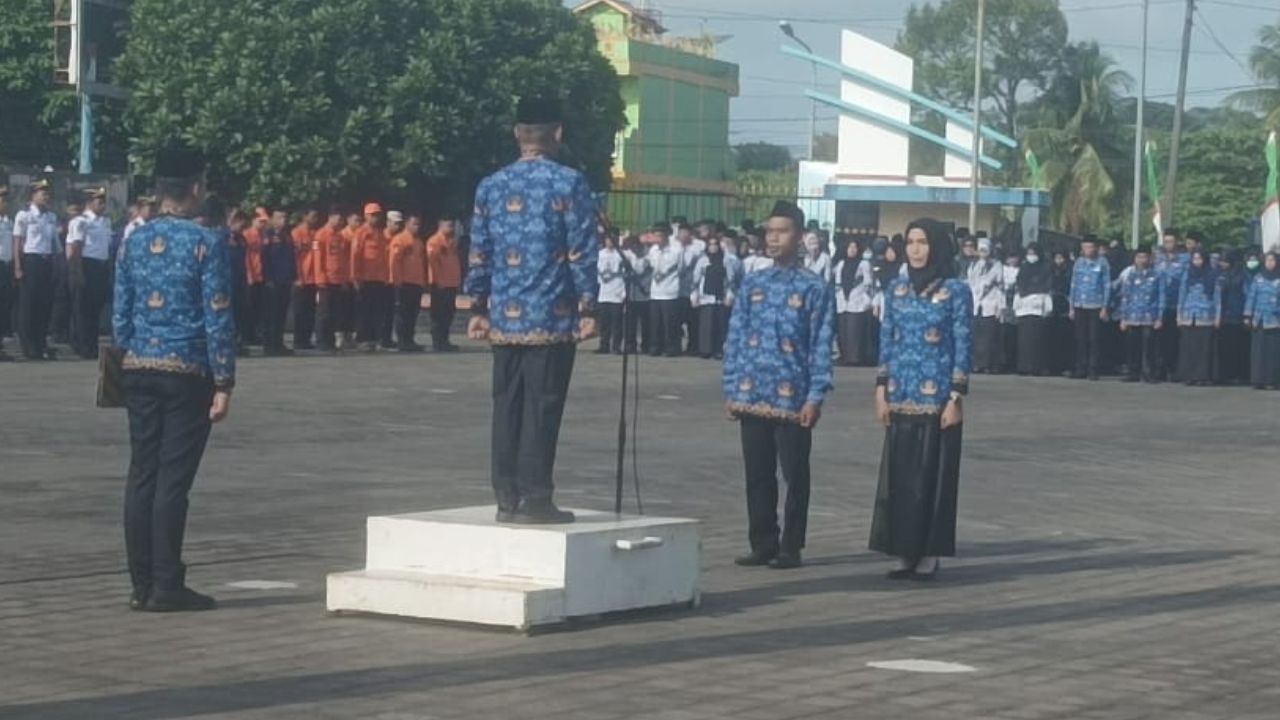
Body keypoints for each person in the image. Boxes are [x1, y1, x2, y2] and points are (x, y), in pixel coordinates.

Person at [464, 95, 599, 524]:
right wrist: (589, 305)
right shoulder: (569, 183)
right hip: (552, 316)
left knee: (507, 406)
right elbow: (581, 249)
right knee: (542, 407)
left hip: (504, 317)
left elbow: (479, 251)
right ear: (556, 133)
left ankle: (506, 497)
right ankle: (537, 497)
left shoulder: (491, 184)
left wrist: (477, 307)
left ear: (516, 135)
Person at [113, 143, 235, 612]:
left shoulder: (134, 240)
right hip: (188, 371)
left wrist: (127, 358)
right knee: (173, 480)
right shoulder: (208, 241)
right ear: (197, 188)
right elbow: (218, 314)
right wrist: (224, 381)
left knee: (142, 472)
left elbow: (121, 314)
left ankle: (140, 583)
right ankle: (167, 583)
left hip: (139, 367)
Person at [723, 201, 834, 570]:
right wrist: (732, 387)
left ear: (799, 237)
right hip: (753, 393)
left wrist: (815, 395)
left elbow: (821, 344)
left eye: (782, 231)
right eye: (769, 231)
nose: (773, 238)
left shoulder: (814, 287)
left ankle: (791, 545)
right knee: (757, 474)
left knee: (795, 475)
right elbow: (736, 336)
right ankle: (763, 541)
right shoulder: (753, 283)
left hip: (793, 396)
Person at [870, 218, 972, 581]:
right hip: (901, 393)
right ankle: (902, 549)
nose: (915, 249)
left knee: (933, 475)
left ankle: (928, 551)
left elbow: (963, 344)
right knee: (901, 476)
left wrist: (956, 396)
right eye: (911, 241)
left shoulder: (955, 290)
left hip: (938, 395)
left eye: (923, 242)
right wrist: (881, 389)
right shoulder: (895, 289)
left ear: (937, 247)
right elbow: (887, 339)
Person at [62, 188, 111, 360]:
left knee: (95, 309)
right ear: (90, 203)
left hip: (101, 266)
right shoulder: (81, 221)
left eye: (104, 201)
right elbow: (76, 248)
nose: (103, 205)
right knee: (83, 309)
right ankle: (83, 346)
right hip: (86, 265)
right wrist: (78, 271)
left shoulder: (104, 222)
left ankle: (91, 344)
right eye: (99, 201)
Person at [13, 179, 59, 360]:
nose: (46, 196)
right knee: (28, 305)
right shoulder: (24, 216)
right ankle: (28, 345)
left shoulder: (51, 217)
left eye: (47, 193)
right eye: (42, 193)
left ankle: (40, 344)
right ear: (33, 195)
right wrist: (18, 266)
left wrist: (57, 263)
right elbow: (17, 242)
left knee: (43, 305)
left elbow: (54, 244)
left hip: (46, 261)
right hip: (30, 261)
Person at [1117, 245, 1164, 383]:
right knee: (1133, 345)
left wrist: (1159, 317)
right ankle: (1133, 372)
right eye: (1139, 257)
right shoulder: (1131, 275)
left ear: (1150, 258)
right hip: (1132, 316)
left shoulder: (1157, 274)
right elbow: (1125, 296)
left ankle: (1149, 372)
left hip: (1150, 316)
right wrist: (1123, 318)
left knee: (1149, 346)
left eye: (1144, 257)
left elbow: (1161, 296)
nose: (1141, 260)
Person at [1069, 235, 1111, 380]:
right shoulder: (1078, 263)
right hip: (1079, 303)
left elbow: (1107, 285)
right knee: (1080, 338)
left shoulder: (1103, 262)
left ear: (1096, 248)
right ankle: (1080, 367)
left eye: (1090, 247)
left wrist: (1105, 307)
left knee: (1094, 338)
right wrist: (1071, 307)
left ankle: (1093, 369)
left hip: (1096, 304)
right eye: (1085, 247)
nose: (1088, 250)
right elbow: (1073, 284)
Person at [351, 203, 391, 353]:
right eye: (373, 215)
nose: (376, 217)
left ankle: (375, 339)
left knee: (377, 311)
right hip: (365, 278)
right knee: (364, 311)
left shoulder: (381, 233)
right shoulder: (361, 233)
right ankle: (362, 339)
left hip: (379, 278)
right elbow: (355, 256)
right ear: (366, 216)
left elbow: (384, 257)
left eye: (378, 215)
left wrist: (387, 276)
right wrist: (355, 277)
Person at [1176, 248, 1220, 386]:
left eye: (1199, 258)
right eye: (1194, 259)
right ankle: (1189, 375)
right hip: (1189, 315)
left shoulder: (1213, 275)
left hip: (1206, 315)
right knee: (1189, 348)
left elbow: (1217, 298)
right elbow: (1182, 294)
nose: (1197, 261)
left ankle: (1202, 376)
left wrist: (1217, 316)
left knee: (1203, 349)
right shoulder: (1187, 274)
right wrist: (1179, 314)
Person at [691, 235, 738, 359]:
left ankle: (719, 350)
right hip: (706, 297)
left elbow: (730, 280)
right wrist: (694, 297)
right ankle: (705, 350)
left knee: (720, 325)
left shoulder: (726, 260)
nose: (713, 247)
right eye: (710, 244)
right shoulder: (703, 260)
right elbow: (695, 280)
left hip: (720, 298)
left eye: (715, 244)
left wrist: (729, 296)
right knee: (706, 325)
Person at [388, 214, 428, 352]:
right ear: (407, 224)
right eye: (414, 224)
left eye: (418, 224)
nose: (417, 227)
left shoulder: (419, 242)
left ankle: (410, 339)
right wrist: (396, 280)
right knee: (403, 314)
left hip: (416, 282)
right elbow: (394, 262)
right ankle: (402, 341)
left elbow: (422, 264)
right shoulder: (400, 240)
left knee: (413, 313)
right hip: (404, 282)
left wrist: (423, 281)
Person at [259, 209, 296, 356]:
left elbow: (291, 258)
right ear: (273, 220)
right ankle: (269, 345)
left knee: (281, 313)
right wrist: (267, 278)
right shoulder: (267, 236)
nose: (283, 220)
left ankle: (279, 343)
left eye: (285, 217)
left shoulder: (287, 236)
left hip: (285, 280)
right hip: (272, 281)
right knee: (271, 315)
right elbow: (264, 259)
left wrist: (294, 276)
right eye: (280, 217)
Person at [1013, 244, 1053, 376]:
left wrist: (1036, 290)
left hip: (1038, 304)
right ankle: (1023, 366)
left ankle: (1037, 366)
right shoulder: (1024, 268)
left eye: (1033, 253)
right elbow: (1019, 282)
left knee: (1037, 338)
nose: (1031, 256)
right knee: (1024, 339)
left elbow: (1047, 284)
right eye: (1029, 253)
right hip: (1024, 305)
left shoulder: (1045, 267)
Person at [313, 208, 350, 352]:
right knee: (324, 312)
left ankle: (330, 341)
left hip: (337, 280)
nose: (340, 222)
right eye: (338, 219)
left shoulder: (340, 237)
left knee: (334, 312)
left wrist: (344, 279)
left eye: (342, 219)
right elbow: (318, 258)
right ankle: (321, 340)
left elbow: (343, 260)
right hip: (326, 279)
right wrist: (320, 278)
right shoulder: (321, 235)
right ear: (330, 217)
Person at [834, 241, 875, 367]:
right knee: (843, 330)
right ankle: (844, 356)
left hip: (857, 301)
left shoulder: (864, 264)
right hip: (842, 300)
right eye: (849, 247)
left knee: (854, 331)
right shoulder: (841, 263)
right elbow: (837, 280)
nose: (852, 250)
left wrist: (867, 300)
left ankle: (855, 358)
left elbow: (868, 283)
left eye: (854, 247)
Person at [1154, 227, 1187, 380]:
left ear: (1177, 242)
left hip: (1176, 304)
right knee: (1159, 340)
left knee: (1174, 340)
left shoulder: (1184, 259)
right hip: (1160, 305)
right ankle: (1159, 368)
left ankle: (1174, 370)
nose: (1168, 244)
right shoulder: (1158, 259)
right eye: (1166, 241)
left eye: (1171, 241)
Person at [967, 238, 1003, 374]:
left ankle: (988, 364)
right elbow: (971, 280)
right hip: (976, 303)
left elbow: (996, 281)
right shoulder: (973, 265)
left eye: (985, 250)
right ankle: (977, 363)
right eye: (980, 250)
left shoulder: (996, 264)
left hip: (990, 302)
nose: (982, 253)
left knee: (989, 336)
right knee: (977, 335)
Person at [1244, 252, 1280, 390]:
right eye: (1267, 260)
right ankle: (1258, 379)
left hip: (1274, 320)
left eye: (1272, 260)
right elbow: (1251, 297)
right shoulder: (1258, 278)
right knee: (1258, 351)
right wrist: (1247, 315)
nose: (1269, 263)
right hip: (1259, 319)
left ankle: (1272, 380)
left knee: (1272, 352)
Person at [426, 218, 463, 352]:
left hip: (451, 284)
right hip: (439, 285)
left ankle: (445, 340)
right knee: (438, 314)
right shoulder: (434, 242)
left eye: (452, 226)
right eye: (448, 226)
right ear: (440, 226)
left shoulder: (452, 243)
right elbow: (433, 263)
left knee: (449, 313)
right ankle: (438, 341)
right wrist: (438, 280)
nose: (451, 229)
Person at [647, 222, 683, 357]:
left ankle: (671, 348)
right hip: (655, 291)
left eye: (660, 236)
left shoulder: (676, 250)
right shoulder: (653, 250)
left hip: (670, 291)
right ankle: (655, 346)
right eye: (655, 236)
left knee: (670, 324)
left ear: (666, 236)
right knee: (655, 323)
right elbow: (651, 266)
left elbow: (681, 268)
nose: (657, 239)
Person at [1216, 249, 1251, 385]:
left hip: (1238, 314)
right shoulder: (1221, 275)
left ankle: (1239, 375)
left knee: (1238, 347)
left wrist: (1246, 314)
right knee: (1225, 347)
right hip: (1225, 316)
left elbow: (1247, 294)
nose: (1222, 264)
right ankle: (1226, 374)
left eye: (1225, 261)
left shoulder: (1243, 275)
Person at [291, 209, 323, 350]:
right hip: (300, 278)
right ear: (304, 217)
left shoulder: (316, 234)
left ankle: (306, 339)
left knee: (310, 311)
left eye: (316, 216)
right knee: (300, 311)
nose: (315, 219)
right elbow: (293, 258)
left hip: (313, 278)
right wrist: (296, 276)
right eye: (312, 216)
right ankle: (298, 340)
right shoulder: (296, 233)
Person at [224, 208, 251, 356]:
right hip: (227, 281)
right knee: (228, 315)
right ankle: (228, 344)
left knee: (240, 313)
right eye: (241, 224)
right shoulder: (222, 238)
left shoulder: (241, 240)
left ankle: (237, 342)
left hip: (239, 280)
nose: (243, 228)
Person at [676, 223, 705, 355]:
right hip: (677, 289)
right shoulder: (675, 247)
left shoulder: (698, 247)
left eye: (685, 233)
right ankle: (676, 346)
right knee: (676, 320)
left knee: (693, 321)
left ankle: (693, 347)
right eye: (680, 233)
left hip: (692, 289)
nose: (682, 236)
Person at [241, 209, 268, 347]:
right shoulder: (247, 235)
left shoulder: (263, 236)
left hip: (261, 275)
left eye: (264, 222)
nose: (263, 224)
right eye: (260, 221)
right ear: (253, 220)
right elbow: (246, 257)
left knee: (259, 308)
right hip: (251, 276)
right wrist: (249, 275)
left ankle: (256, 335)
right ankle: (247, 335)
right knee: (249, 308)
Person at [596, 230, 626, 354]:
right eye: (608, 239)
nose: (610, 242)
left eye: (613, 239)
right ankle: (604, 345)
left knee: (617, 323)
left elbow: (625, 273)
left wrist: (624, 293)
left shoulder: (622, 255)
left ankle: (616, 346)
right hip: (604, 293)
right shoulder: (600, 254)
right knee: (604, 323)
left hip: (617, 292)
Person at [622, 232, 651, 354]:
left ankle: (646, 345)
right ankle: (630, 345)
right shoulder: (628, 256)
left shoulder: (648, 255)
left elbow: (640, 271)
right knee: (630, 323)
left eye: (634, 248)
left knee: (646, 323)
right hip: (631, 294)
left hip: (645, 294)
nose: (632, 250)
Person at [0, 186, 14, 361]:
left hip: (6, 267)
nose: (5, 204)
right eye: (3, 201)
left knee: (4, 307)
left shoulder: (8, 222)